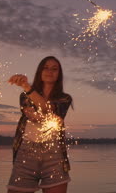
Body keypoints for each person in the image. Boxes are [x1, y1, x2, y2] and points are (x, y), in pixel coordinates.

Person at [7, 56, 73, 193]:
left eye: (54, 69)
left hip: (54, 154)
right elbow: (39, 115)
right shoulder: (25, 95)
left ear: (59, 75)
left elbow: (46, 110)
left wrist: (26, 87)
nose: (50, 71)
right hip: (27, 152)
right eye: (46, 68)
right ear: (39, 71)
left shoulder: (64, 98)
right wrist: (43, 115)